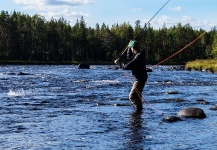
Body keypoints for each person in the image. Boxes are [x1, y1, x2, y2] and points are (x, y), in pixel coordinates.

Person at [114, 40, 148, 111]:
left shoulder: (138, 57)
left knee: (132, 96)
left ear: (133, 48)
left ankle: (138, 110)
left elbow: (126, 66)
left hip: (140, 79)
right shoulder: (137, 54)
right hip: (140, 78)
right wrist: (129, 47)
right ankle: (139, 114)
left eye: (131, 48)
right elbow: (129, 57)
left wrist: (119, 63)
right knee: (138, 96)